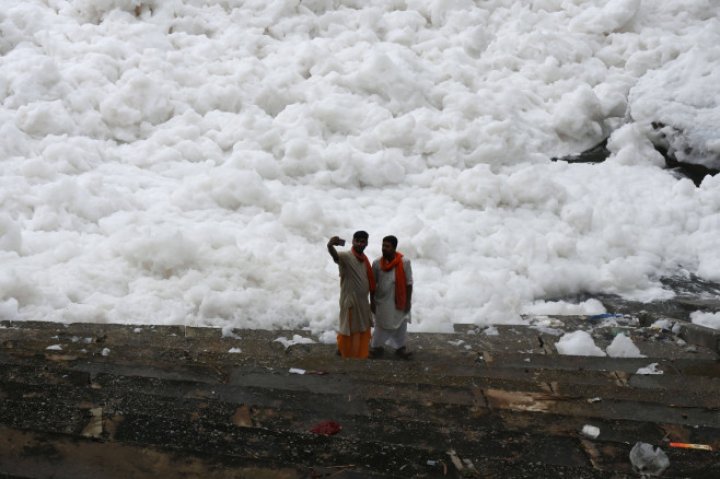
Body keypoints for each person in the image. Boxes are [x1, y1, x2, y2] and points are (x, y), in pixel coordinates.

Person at [327, 231, 375, 358]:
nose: (360, 243)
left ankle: (357, 353)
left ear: (366, 243)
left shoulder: (365, 260)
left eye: (363, 241)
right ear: (353, 241)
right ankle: (343, 350)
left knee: (361, 328)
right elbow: (335, 257)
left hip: (363, 302)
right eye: (357, 240)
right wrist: (330, 246)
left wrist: (373, 302)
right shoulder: (346, 256)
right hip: (350, 300)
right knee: (348, 328)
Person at [370, 235, 413, 359]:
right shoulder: (377, 263)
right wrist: (371, 301)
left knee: (401, 325)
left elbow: (409, 283)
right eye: (383, 246)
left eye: (387, 246)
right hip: (382, 301)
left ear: (394, 248)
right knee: (381, 325)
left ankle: (400, 348)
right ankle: (377, 347)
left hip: (399, 300)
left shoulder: (405, 262)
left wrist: (408, 302)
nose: (384, 248)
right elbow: (372, 284)